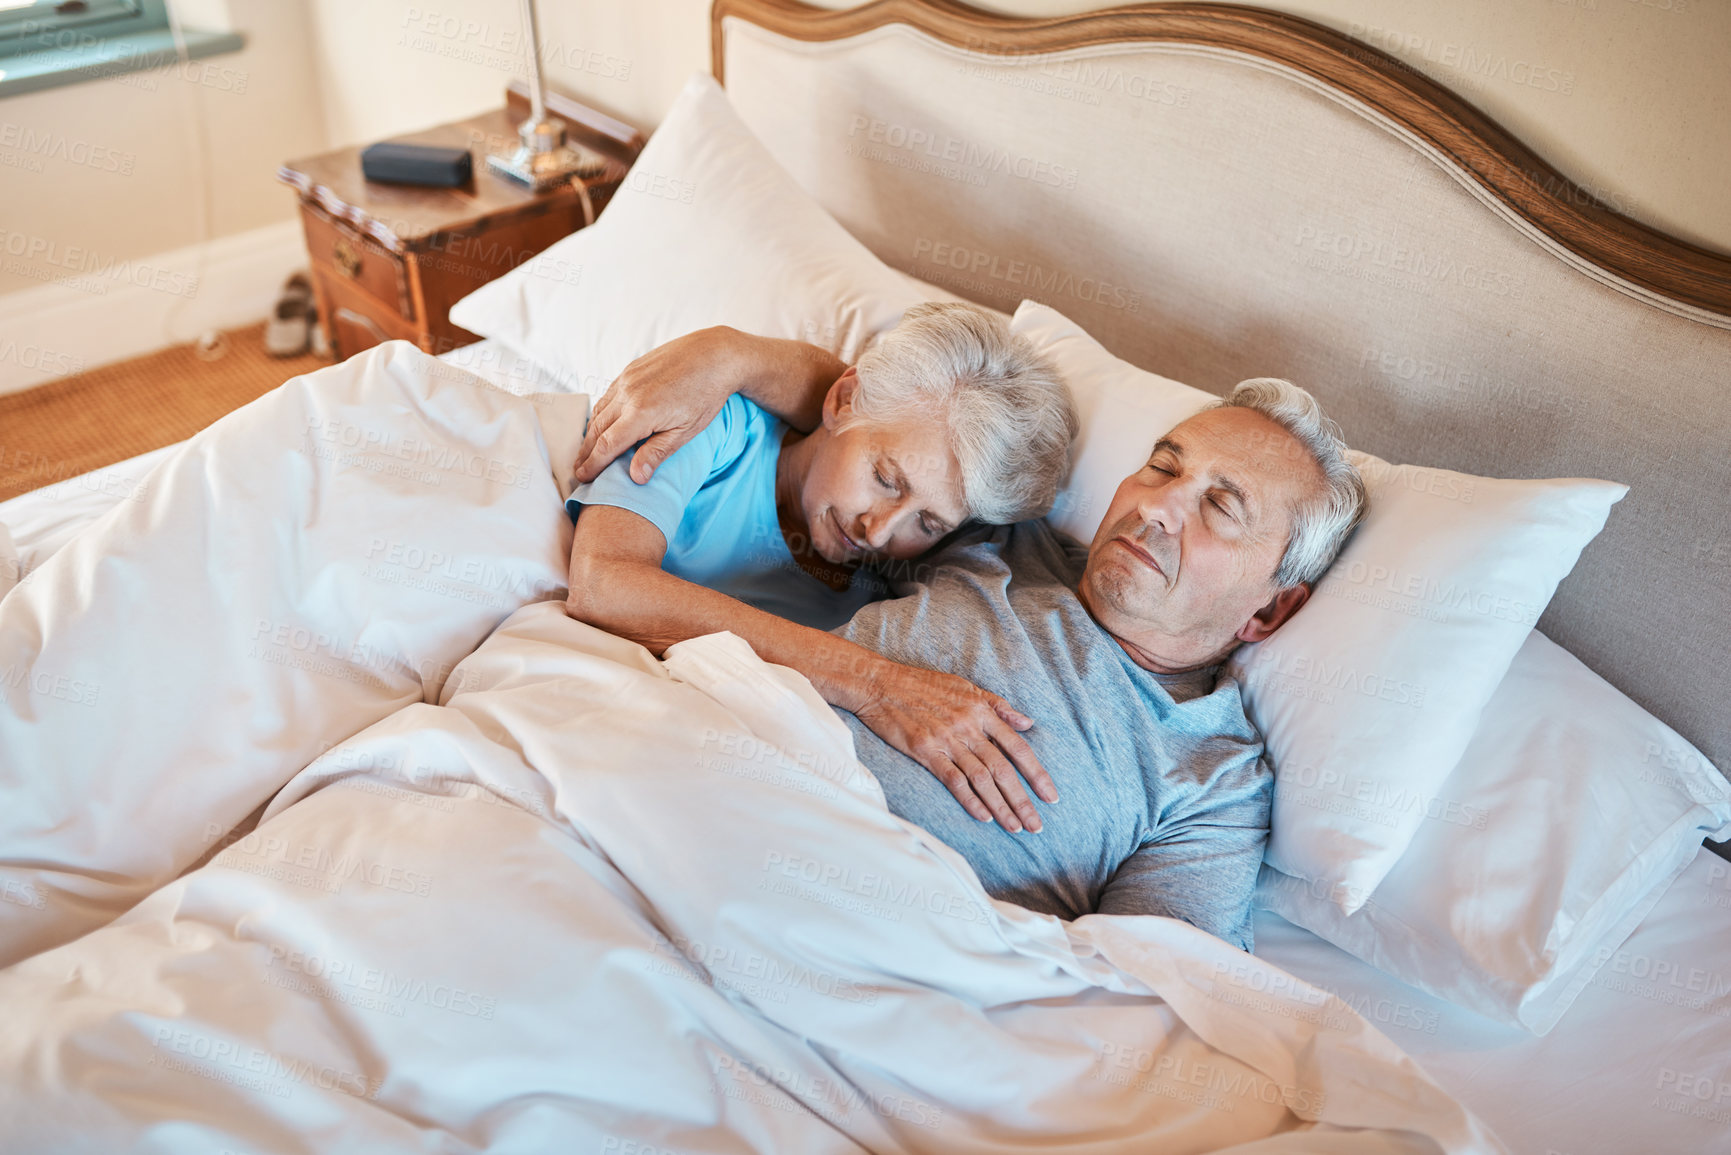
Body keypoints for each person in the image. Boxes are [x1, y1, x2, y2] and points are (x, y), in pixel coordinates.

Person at [574, 328, 1368, 950]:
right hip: (670, 780)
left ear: (1266, 613)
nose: (1158, 507)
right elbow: (888, 413)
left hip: (848, 923)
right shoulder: (1003, 545)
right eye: (1162, 467)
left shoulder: (1213, 778)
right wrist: (732, 353)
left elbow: (1155, 991)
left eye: (1219, 508)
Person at [564, 303, 1079, 833]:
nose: (877, 532)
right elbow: (604, 584)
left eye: (926, 521)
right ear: (843, 399)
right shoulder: (711, 421)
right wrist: (871, 680)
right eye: (884, 477)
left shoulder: (890, 588)